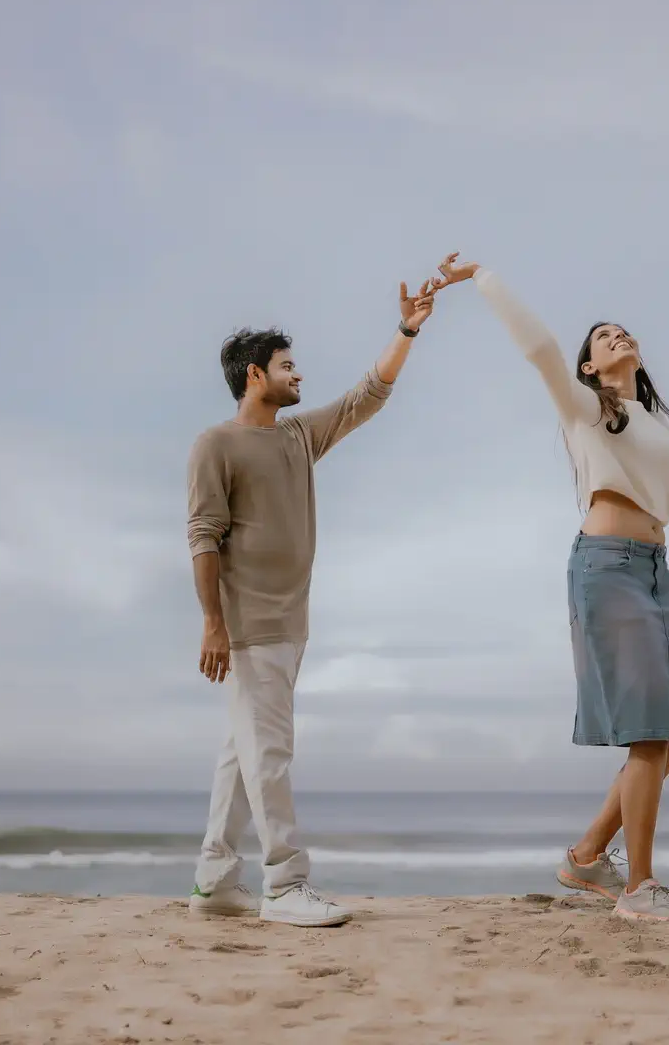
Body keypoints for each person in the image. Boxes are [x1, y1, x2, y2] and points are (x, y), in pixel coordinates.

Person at [432, 252, 669, 924]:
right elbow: (542, 348)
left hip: (656, 574)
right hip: (607, 568)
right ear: (590, 366)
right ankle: (639, 890)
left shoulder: (659, 432)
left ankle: (586, 858)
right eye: (603, 337)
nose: (618, 337)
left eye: (623, 331)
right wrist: (482, 280)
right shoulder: (585, 407)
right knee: (648, 734)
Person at [184, 276, 440, 927]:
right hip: (249, 625)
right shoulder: (216, 445)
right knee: (268, 755)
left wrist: (408, 330)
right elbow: (203, 537)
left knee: (243, 755)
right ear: (253, 376)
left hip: (291, 623)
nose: (299, 375)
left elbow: (365, 398)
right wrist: (213, 623)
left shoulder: (298, 437)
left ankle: (214, 882)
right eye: (287, 366)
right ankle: (284, 885)